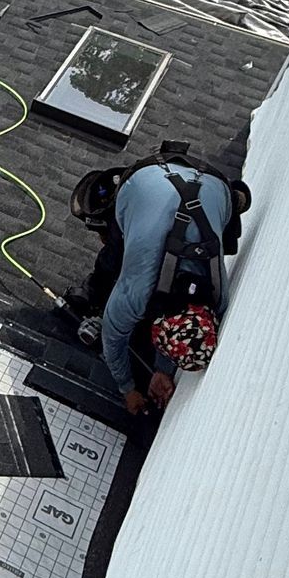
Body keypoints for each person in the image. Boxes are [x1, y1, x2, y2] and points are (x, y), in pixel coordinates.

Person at [61, 157, 248, 414]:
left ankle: (232, 200)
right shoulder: (138, 291)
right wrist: (128, 390)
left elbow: (175, 326)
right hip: (132, 187)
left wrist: (162, 369)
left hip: (212, 184)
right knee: (116, 251)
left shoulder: (217, 297)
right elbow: (112, 338)